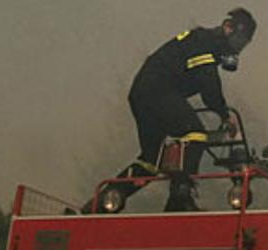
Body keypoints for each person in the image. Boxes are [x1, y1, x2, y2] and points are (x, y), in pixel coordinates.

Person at [98, 8, 257, 213]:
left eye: (242, 45)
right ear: (227, 28)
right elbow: (209, 87)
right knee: (195, 134)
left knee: (150, 160)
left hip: (141, 94)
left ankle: (104, 200)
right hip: (158, 90)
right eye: (238, 41)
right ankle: (180, 198)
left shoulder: (200, 41)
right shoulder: (206, 43)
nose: (237, 49)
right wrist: (224, 114)